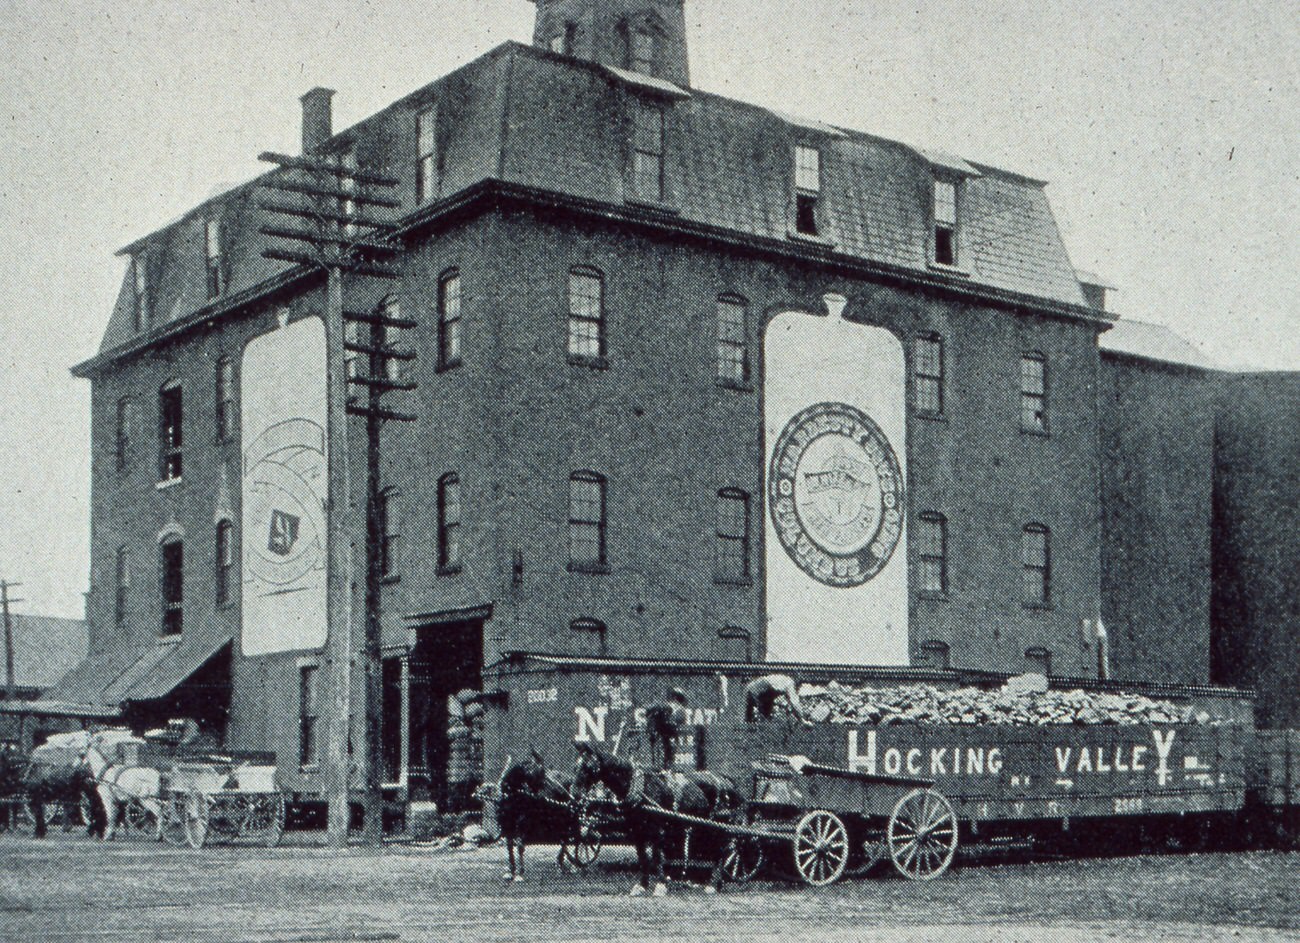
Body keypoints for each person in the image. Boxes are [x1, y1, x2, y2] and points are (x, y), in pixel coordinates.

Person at [644, 686, 689, 769]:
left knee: (666, 753)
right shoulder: (668, 708)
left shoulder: (677, 709)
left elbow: (678, 722)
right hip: (665, 736)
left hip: (670, 736)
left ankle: (663, 765)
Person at [744, 674, 811, 724]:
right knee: (763, 718)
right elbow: (794, 703)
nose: (800, 687)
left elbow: (789, 701)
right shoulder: (790, 683)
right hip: (760, 689)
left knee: (753, 720)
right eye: (800, 685)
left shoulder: (784, 680)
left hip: (754, 687)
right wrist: (802, 720)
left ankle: (753, 726)